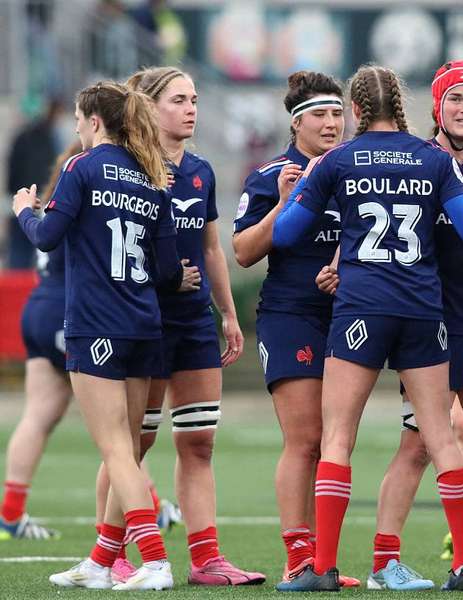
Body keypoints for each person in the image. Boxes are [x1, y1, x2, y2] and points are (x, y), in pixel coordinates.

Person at [271, 63, 463, 592]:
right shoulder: (434, 160)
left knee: (338, 438)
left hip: (361, 309)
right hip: (422, 313)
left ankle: (322, 568)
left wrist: (296, 196)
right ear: (407, 106)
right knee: (442, 437)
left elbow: (289, 235)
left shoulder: (336, 160)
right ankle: (462, 569)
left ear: (356, 110)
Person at [13, 81, 200, 590]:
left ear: (95, 121)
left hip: (97, 324)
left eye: (78, 117)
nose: (74, 126)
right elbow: (165, 271)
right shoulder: (152, 176)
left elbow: (48, 237)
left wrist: (24, 211)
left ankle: (156, 562)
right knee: (129, 450)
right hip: (145, 325)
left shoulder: (81, 166)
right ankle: (99, 562)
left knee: (117, 450)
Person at [348, 60, 463, 591]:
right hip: (429, 322)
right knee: (421, 442)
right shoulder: (416, 160)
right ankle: (383, 563)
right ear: (437, 107)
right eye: (456, 100)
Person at [94, 65, 260, 586]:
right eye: (178, 100)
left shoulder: (202, 171)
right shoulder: (119, 169)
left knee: (198, 442)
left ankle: (206, 558)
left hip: (192, 324)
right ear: (148, 106)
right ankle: (113, 553)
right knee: (132, 444)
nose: (191, 108)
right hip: (141, 321)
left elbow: (212, 247)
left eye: (194, 99)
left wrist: (228, 313)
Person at [232, 70, 359, 588]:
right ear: (296, 123)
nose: (332, 123)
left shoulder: (355, 169)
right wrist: (285, 205)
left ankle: (323, 558)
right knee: (305, 439)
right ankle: (298, 556)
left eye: (337, 113)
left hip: (349, 315)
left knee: (335, 441)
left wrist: (345, 268)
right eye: (320, 115)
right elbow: (243, 252)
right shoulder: (271, 175)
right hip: (291, 315)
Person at [0, 142, 81, 542]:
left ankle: (10, 515)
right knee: (118, 421)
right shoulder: (97, 184)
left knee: (39, 415)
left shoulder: (57, 197)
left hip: (40, 305)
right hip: (68, 311)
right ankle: (148, 509)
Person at [4, 98, 66, 269]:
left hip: (21, 199)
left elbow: (13, 170)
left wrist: (15, 196)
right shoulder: (51, 138)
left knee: (19, 254)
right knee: (40, 255)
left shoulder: (21, 137)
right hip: (41, 200)